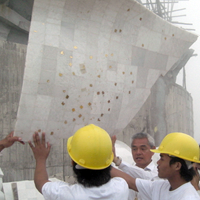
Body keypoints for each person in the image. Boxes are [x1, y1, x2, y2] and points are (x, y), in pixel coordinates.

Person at [29, 124, 129, 200]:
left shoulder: (65, 195)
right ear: (108, 162)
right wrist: (104, 155)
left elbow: (41, 182)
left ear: (73, 162)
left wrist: (40, 159)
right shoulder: (121, 188)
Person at [111, 132, 200, 200]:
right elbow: (131, 182)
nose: (158, 162)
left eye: (162, 158)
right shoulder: (161, 187)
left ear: (177, 166)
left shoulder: (188, 197)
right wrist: (106, 161)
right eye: (134, 149)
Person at [112, 132, 158, 200]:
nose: (138, 153)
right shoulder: (124, 172)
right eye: (134, 149)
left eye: (143, 149)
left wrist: (117, 161)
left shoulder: (158, 174)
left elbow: (145, 175)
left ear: (153, 150)